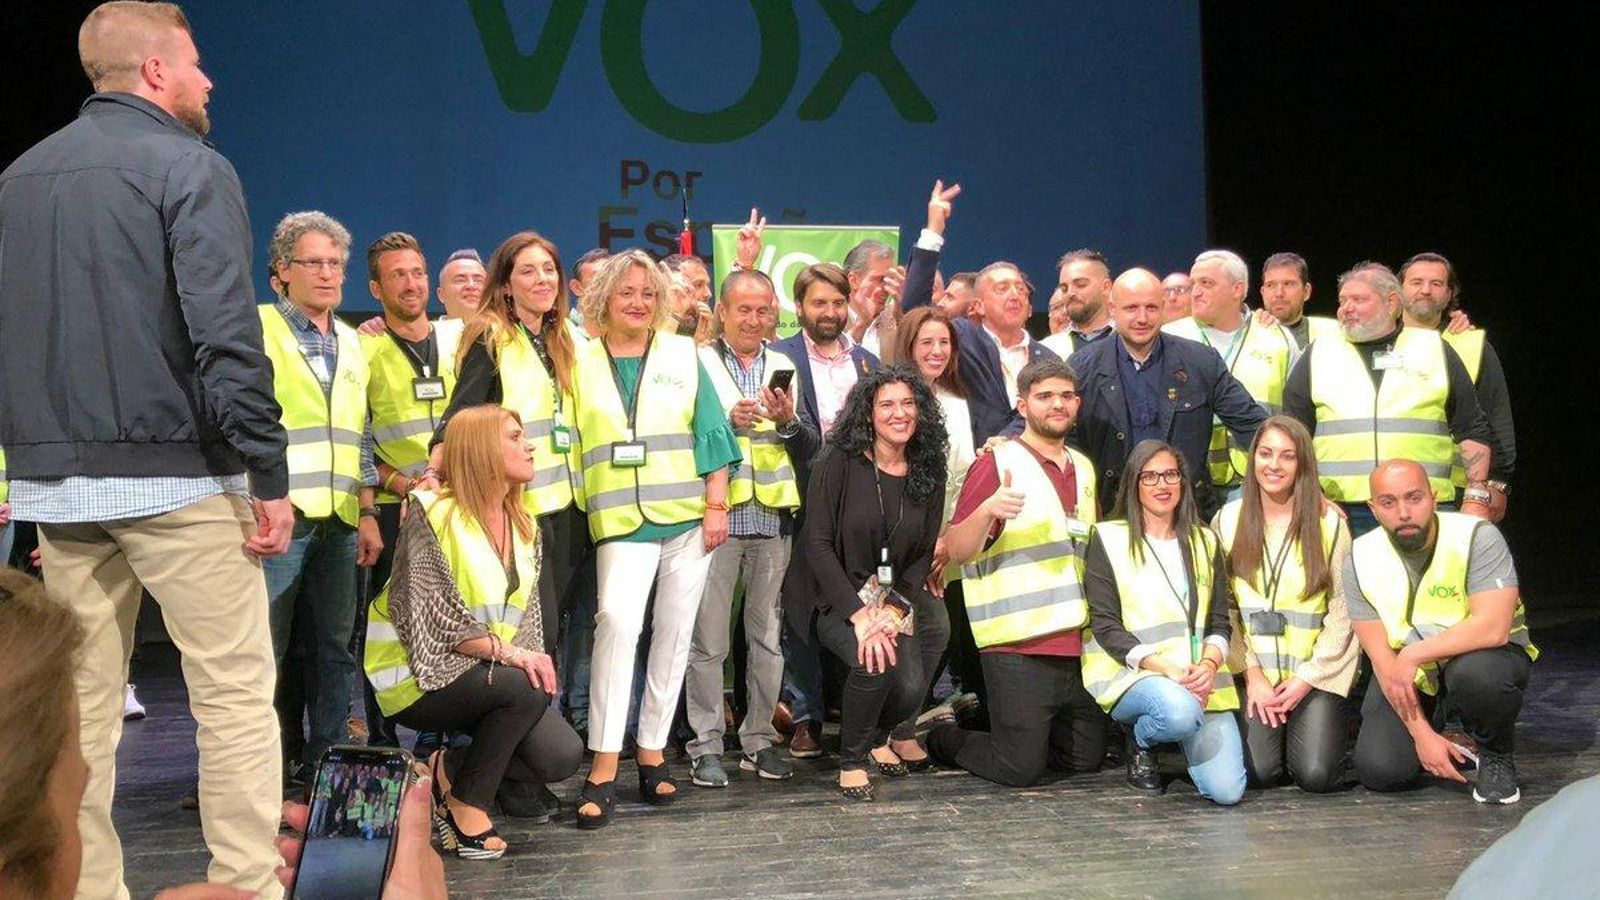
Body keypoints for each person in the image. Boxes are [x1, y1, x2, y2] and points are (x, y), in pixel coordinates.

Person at [0, 5, 295, 893]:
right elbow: (226, 339)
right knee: (235, 695)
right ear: (158, 71)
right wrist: (267, 474)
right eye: (198, 64)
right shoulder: (188, 165)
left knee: (77, 719)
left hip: (56, 488)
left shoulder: (19, 177)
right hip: (176, 479)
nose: (210, 81)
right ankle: (244, 886)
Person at [0, 569, 448, 900]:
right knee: (234, 691)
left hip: (59, 485)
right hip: (189, 486)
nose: (85, 768)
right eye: (74, 742)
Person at [569, 249, 741, 828]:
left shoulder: (682, 354)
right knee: (617, 624)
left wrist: (716, 504)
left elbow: (712, 433)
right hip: (620, 522)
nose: (638, 302)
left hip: (688, 518)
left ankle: (651, 752)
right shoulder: (577, 358)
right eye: (626, 293)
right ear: (603, 300)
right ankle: (603, 761)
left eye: (647, 293)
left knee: (673, 637)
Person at [364, 406, 582, 858]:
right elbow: (432, 618)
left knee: (560, 754)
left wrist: (526, 659)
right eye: (515, 437)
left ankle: (449, 768)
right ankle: (468, 806)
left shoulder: (524, 524)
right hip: (415, 675)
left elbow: (528, 624)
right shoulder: (432, 515)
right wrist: (513, 658)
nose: (530, 445)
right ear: (481, 450)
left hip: (483, 670)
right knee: (524, 686)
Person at [927, 358, 1112, 786]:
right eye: (1045, 396)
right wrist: (988, 510)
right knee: (1019, 768)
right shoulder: (998, 462)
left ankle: (1014, 728)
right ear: (1023, 404)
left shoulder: (1082, 467)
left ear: (1077, 404)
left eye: (1066, 396)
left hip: (1078, 645)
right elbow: (956, 547)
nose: (1057, 405)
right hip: (1017, 644)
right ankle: (942, 738)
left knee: (1085, 759)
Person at [782, 366, 949, 800]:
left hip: (887, 595)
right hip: (829, 593)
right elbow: (816, 544)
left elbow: (920, 556)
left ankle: (877, 738)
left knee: (910, 686)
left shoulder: (929, 466)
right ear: (868, 413)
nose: (900, 414)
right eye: (887, 404)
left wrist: (892, 610)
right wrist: (861, 617)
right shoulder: (838, 460)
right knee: (871, 660)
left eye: (908, 403)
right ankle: (852, 759)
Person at [258, 211, 381, 779]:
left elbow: (359, 436)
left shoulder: (354, 342)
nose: (329, 274)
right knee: (265, 650)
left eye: (337, 264)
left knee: (336, 648)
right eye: (315, 263)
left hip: (337, 517)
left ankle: (327, 759)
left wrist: (365, 511)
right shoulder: (257, 328)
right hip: (278, 515)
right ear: (282, 271)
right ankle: (260, 764)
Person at [685, 270, 820, 788]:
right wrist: (726, 420)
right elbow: (680, 430)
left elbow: (802, 437)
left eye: (764, 310)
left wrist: (785, 421)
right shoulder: (697, 361)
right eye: (744, 309)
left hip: (773, 515)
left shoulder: (784, 363)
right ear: (722, 311)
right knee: (710, 639)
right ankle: (704, 746)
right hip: (718, 515)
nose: (754, 319)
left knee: (766, 638)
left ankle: (759, 740)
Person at [1346, 460, 1537, 804]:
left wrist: (1414, 653)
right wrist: (1421, 735)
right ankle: (1437, 732)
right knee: (1383, 771)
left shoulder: (1476, 536)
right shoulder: (1360, 555)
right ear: (1373, 509)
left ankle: (1495, 753)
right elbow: (1381, 659)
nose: (1403, 512)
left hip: (1483, 659)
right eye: (1388, 502)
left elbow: (1493, 628)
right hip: (1413, 676)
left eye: (1414, 498)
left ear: (1434, 498)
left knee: (1478, 674)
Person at [1080, 441, 1246, 805]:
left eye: (1170, 474)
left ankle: (1176, 737)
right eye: (1150, 476)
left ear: (1183, 482)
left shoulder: (1205, 541)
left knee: (1228, 792)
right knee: (1178, 711)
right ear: (1134, 484)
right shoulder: (1109, 537)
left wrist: (1208, 664)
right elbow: (1106, 626)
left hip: (1200, 680)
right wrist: (1165, 668)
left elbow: (1220, 621)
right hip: (1138, 676)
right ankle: (1141, 738)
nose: (1162, 485)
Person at [1282, 262, 1494, 534]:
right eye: (1342, 300)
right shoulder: (1318, 353)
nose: (1346, 308)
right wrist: (1309, 494)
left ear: (1392, 303)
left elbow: (1472, 426)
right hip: (1340, 510)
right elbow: (1292, 434)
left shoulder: (1433, 349)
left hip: (1424, 507)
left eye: (1358, 300)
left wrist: (1477, 497)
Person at [770, 262, 881, 758]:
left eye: (838, 303)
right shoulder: (780, 358)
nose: (830, 312)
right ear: (800, 308)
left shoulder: (869, 363)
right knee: (799, 614)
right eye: (819, 303)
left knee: (859, 601)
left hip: (859, 507)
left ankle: (855, 707)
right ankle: (806, 715)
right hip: (801, 500)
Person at [1214, 416, 1357, 792]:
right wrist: (1253, 674)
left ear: (1302, 464)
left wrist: (1305, 679)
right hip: (1257, 674)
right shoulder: (1227, 520)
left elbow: (1343, 611)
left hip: (1314, 673)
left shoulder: (1329, 524)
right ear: (1252, 459)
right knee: (1258, 773)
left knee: (1315, 774)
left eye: (1287, 456)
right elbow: (1223, 609)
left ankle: (1326, 730)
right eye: (1265, 453)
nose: (1274, 465)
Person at [357, 232, 459, 749]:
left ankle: (443, 736)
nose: (411, 283)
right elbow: (351, 438)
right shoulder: (363, 348)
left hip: (456, 509)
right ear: (376, 288)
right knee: (390, 624)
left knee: (451, 624)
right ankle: (382, 737)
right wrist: (395, 483)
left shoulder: (459, 338)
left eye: (418, 272)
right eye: (398, 275)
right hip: (399, 510)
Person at [1067, 268, 1266, 520]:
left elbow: (1254, 425)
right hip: (1112, 514)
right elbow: (1063, 438)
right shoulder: (1081, 367)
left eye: (1151, 307)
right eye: (1131, 308)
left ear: (1162, 306)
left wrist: (1299, 483)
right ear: (1112, 309)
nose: (1142, 318)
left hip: (1187, 512)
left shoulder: (1201, 362)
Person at [901, 180, 1059, 446]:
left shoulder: (1048, 359)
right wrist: (933, 231)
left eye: (1020, 288)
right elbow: (916, 312)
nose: (1015, 294)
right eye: (1002, 288)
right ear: (977, 306)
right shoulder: (960, 338)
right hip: (969, 470)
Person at [894, 306, 982, 719]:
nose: (936, 350)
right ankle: (891, 724)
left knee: (935, 632)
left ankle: (906, 721)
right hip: (899, 542)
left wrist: (948, 541)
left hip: (945, 542)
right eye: (926, 342)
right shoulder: (894, 398)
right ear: (908, 346)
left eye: (944, 342)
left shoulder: (957, 402)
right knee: (904, 634)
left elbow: (962, 477)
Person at [1162, 250, 1296, 498]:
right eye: (1193, 284)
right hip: (1187, 480)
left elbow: (1297, 412)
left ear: (1237, 289)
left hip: (1258, 478)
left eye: (1207, 283)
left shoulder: (1277, 338)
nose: (1196, 292)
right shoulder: (1169, 338)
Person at [1398, 252, 1515, 519]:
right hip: (1389, 488)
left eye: (1436, 284)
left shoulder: (1469, 344)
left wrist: (1497, 483)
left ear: (1450, 293)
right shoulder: (1376, 343)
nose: (1425, 290)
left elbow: (1497, 416)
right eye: (1416, 282)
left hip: (1455, 492)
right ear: (1398, 290)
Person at [1040, 249, 1116, 357]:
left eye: (1080, 284)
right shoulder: (1047, 349)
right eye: (1064, 288)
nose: (1070, 293)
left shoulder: (1132, 340)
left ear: (1106, 287)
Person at [1260, 252, 1338, 352]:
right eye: (1271, 285)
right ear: (1262, 292)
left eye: (1288, 284)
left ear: (1306, 291)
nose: (1279, 293)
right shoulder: (1243, 335)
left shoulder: (1332, 333)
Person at [436, 248, 486, 322]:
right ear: (441, 294)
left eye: (478, 281)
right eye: (460, 280)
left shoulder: (506, 332)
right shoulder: (425, 333)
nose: (471, 286)